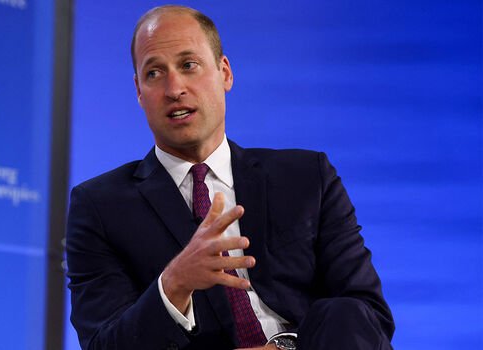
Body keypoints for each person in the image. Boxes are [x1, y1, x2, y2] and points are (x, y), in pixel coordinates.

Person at [66, 5, 394, 350]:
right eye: (154, 73)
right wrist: (174, 283)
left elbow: (369, 315)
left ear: (225, 72)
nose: (174, 88)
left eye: (188, 65)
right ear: (138, 91)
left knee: (343, 311)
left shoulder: (306, 178)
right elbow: (104, 345)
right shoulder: (100, 207)